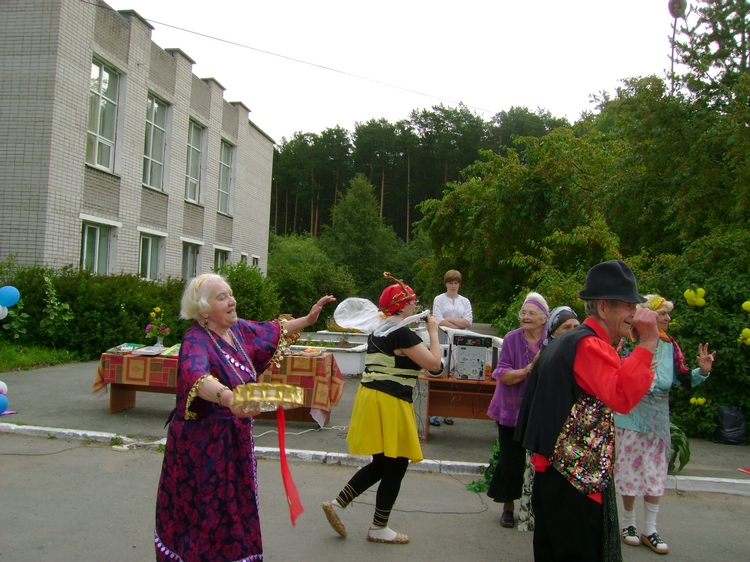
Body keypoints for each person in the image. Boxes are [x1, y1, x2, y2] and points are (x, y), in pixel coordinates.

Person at [154, 273, 335, 561]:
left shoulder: (237, 332)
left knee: (235, 509)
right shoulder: (195, 339)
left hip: (233, 445)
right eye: (221, 297)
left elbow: (271, 330)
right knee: (208, 515)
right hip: (202, 451)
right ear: (203, 309)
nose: (232, 301)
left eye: (230, 294)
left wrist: (308, 319)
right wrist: (229, 399)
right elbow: (196, 376)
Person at [515, 259, 659, 561]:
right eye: (628, 306)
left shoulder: (570, 340)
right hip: (573, 481)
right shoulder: (589, 345)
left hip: (558, 473)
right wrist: (647, 341)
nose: (634, 313)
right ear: (604, 308)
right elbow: (621, 396)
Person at [321, 273, 442, 544]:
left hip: (373, 398)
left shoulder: (380, 329)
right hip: (391, 401)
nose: (415, 305)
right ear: (401, 306)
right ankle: (378, 528)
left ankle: (338, 504)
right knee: (396, 465)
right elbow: (434, 364)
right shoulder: (400, 333)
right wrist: (434, 332)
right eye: (412, 301)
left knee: (382, 463)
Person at [614, 294, 715, 554]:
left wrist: (701, 372)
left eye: (668, 314)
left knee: (655, 471)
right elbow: (616, 372)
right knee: (629, 469)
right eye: (663, 313)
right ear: (647, 315)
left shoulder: (671, 344)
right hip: (632, 413)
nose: (668, 318)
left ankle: (650, 528)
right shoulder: (628, 341)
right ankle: (628, 524)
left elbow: (682, 378)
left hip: (659, 416)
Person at [486, 292, 549, 528]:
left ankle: (536, 506)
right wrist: (526, 370)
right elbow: (502, 373)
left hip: (539, 410)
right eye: (523, 313)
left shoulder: (550, 341)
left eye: (531, 313)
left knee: (539, 461)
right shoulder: (512, 338)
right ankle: (508, 507)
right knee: (510, 460)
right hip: (511, 409)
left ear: (544, 318)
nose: (526, 317)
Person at [517, 305, 580, 532]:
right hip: (548, 438)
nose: (572, 331)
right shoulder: (550, 355)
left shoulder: (572, 354)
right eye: (567, 327)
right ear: (553, 331)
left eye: (576, 326)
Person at [430, 269, 474, 426]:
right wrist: (456, 322)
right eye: (450, 283)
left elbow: (468, 322)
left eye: (456, 283)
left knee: (455, 374)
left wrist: (449, 319)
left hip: (460, 341)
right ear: (446, 284)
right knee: (440, 372)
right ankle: (433, 413)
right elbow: (438, 320)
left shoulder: (465, 301)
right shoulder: (439, 299)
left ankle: (450, 412)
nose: (453, 286)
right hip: (442, 339)